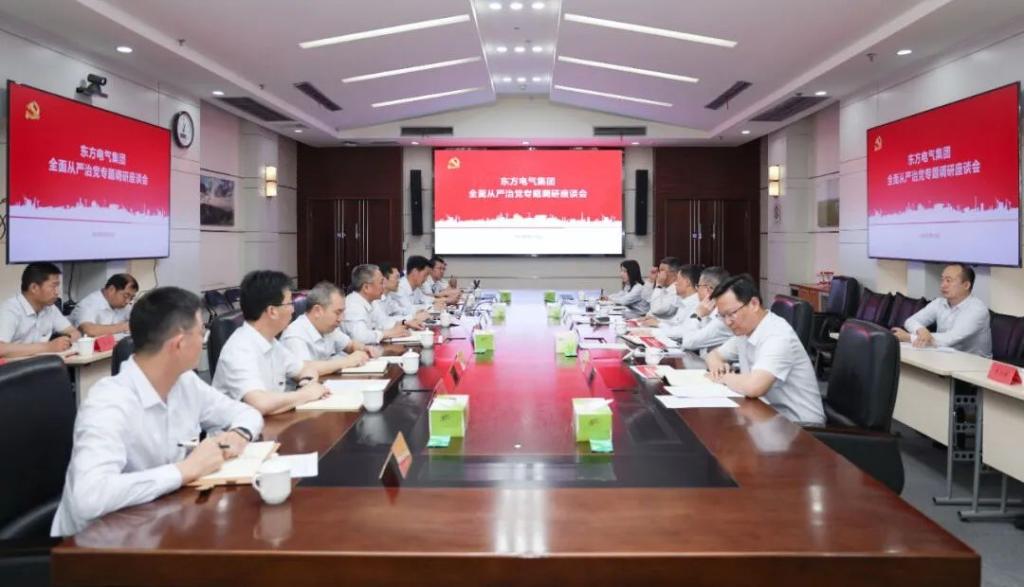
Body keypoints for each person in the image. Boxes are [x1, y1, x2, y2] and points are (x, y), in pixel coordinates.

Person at [51, 287, 264, 537]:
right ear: (179, 343)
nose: (204, 340)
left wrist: (238, 434)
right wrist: (185, 470)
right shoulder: (109, 401)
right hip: (98, 544)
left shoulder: (185, 382)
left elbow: (247, 413)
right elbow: (89, 497)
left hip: (159, 522)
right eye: (201, 333)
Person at [705, 275, 825, 425]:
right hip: (767, 416)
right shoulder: (745, 331)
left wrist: (724, 377)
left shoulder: (777, 335)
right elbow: (713, 355)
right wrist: (718, 367)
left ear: (754, 304)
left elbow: (754, 387)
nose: (728, 322)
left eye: (731, 314)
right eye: (722, 316)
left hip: (800, 427)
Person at [212, 271, 331, 415]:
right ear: (272, 311)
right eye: (290, 303)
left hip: (270, 423)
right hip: (238, 428)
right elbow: (260, 404)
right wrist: (306, 394)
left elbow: (305, 368)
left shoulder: (271, 341)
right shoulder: (239, 349)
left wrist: (307, 382)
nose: (293, 310)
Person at [892, 263, 992, 357]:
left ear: (966, 285)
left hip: (973, 364)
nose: (943, 285)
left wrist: (910, 337)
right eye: (942, 280)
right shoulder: (939, 302)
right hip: (944, 356)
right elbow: (910, 321)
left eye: (948, 280)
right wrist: (921, 330)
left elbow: (949, 339)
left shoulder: (977, 310)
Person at [280, 281, 374, 371]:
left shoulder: (329, 329)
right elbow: (304, 369)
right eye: (338, 312)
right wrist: (346, 362)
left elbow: (350, 345)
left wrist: (362, 348)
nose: (341, 319)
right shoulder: (295, 335)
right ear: (317, 311)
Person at [0, 262, 81, 358]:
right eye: (53, 286)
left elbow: (74, 332)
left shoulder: (50, 308)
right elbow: (1, 349)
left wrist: (66, 340)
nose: (57, 292)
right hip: (13, 366)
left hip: (40, 363)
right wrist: (48, 347)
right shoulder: (10, 310)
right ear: (34, 288)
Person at [661, 266, 734, 351]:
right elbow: (686, 331)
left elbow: (688, 342)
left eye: (698, 286)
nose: (697, 290)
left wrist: (697, 315)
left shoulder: (722, 318)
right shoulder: (707, 309)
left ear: (708, 290)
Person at [342, 264, 411, 344]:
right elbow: (360, 337)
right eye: (381, 283)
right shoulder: (353, 305)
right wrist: (387, 333)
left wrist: (403, 322)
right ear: (366, 287)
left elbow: (384, 323)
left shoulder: (372, 302)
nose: (383, 286)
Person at [70, 273, 139, 337]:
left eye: (131, 298)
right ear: (111, 289)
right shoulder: (89, 303)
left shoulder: (124, 305)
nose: (128, 301)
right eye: (126, 296)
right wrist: (123, 327)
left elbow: (139, 320)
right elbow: (89, 330)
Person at [378, 262, 427, 328]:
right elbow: (385, 322)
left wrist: (417, 312)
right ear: (384, 280)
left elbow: (400, 310)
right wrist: (413, 317)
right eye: (396, 277)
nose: (399, 281)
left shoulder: (388, 297)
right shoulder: (376, 300)